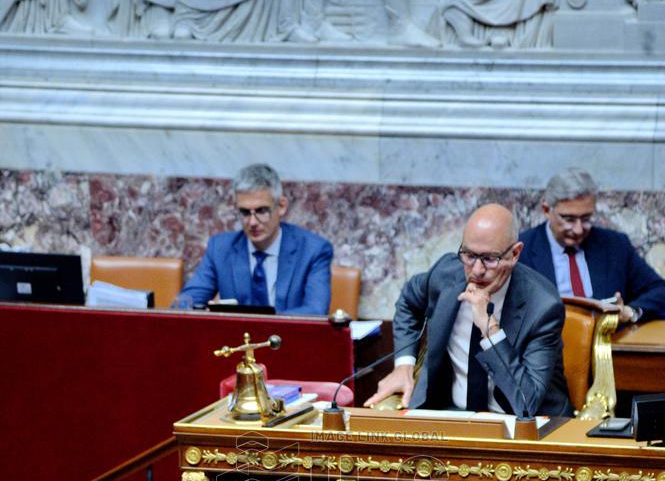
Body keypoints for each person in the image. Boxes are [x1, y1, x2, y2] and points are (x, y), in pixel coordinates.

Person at [365, 203, 572, 417]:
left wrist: (490, 329)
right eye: (469, 255)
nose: (477, 270)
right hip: (451, 415)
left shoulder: (543, 306)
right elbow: (408, 301)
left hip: (521, 425)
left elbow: (526, 403)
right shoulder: (445, 274)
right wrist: (404, 365)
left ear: (515, 253)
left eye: (490, 259)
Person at [179, 163, 333, 315]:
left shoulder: (313, 250)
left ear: (281, 206)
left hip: (290, 338)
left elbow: (316, 311)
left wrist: (264, 326)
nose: (252, 222)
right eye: (245, 212)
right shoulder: (220, 248)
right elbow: (185, 303)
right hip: (235, 339)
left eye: (261, 211)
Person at [519, 168, 665, 323]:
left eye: (586, 218)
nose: (578, 229)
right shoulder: (523, 249)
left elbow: (659, 291)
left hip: (609, 342)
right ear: (547, 210)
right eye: (569, 219)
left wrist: (630, 312)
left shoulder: (615, 245)